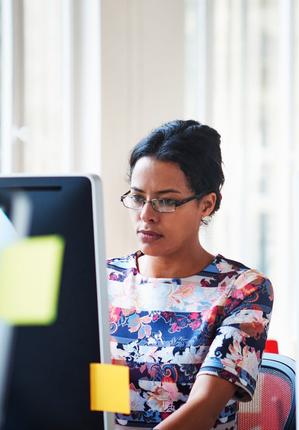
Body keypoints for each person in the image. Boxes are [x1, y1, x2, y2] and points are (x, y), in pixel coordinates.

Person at [106, 120, 274, 430]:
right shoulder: (105, 280)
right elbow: (96, 399)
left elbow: (203, 410)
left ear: (206, 205)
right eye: (138, 197)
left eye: (167, 201)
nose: (146, 215)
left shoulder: (243, 289)